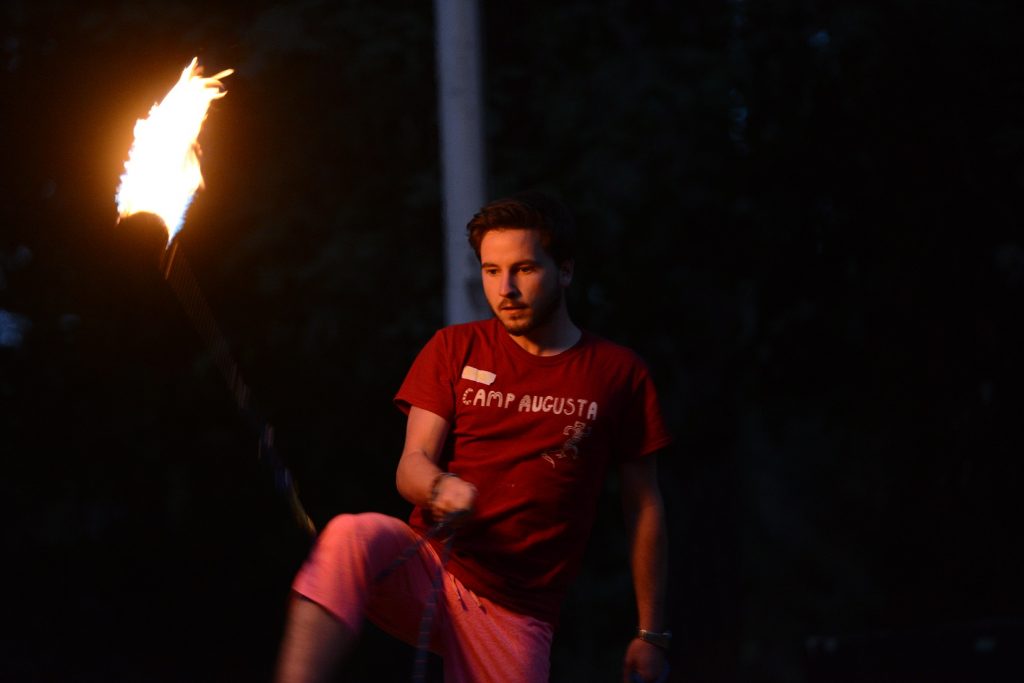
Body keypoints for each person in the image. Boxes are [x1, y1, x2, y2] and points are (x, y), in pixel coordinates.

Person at [274, 190, 673, 683]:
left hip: (516, 609)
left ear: (565, 271)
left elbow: (645, 508)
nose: (506, 288)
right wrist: (440, 488)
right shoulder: (453, 347)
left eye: (524, 269)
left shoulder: (619, 374)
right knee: (350, 534)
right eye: (491, 271)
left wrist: (650, 633)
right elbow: (412, 463)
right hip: (427, 570)